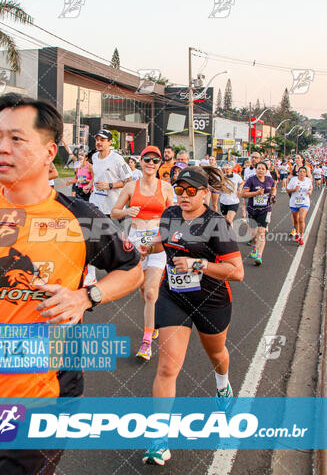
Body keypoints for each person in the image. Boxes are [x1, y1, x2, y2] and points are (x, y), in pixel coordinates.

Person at [0, 93, 143, 475]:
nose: (0, 149)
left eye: (16, 139)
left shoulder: (80, 217)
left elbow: (132, 270)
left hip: (50, 391)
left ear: (50, 151)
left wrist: (87, 297)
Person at [140, 166, 244, 465]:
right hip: (175, 298)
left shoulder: (217, 224)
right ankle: (159, 440)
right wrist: (147, 247)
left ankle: (222, 385)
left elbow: (236, 273)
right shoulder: (170, 214)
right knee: (167, 368)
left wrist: (199, 264)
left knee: (217, 354)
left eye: (190, 191)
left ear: (204, 193)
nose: (183, 196)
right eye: (179, 189)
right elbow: (165, 241)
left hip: (212, 301)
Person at [111, 146, 173, 361]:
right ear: (141, 160)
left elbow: (173, 216)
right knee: (142, 287)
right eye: (147, 159)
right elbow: (114, 212)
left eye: (155, 161)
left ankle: (146, 341)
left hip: (155, 240)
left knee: (150, 292)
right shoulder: (130, 186)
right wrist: (127, 211)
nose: (150, 163)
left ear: (159, 164)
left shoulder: (166, 188)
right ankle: (152, 321)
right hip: (135, 239)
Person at [90, 129, 132, 217]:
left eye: (102, 140)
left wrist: (110, 185)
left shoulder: (118, 159)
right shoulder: (94, 157)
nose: (98, 142)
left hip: (113, 208)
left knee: (115, 231)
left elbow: (129, 180)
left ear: (110, 142)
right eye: (97, 140)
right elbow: (97, 174)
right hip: (96, 204)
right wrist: (90, 185)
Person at [241, 161, 277, 266]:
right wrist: (256, 193)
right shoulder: (251, 180)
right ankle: (254, 247)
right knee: (253, 233)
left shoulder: (269, 180)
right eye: (258, 168)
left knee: (261, 232)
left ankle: (259, 256)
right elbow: (243, 194)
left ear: (266, 171)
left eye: (262, 169)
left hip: (265, 210)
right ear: (256, 169)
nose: (260, 170)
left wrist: (273, 196)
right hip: (252, 209)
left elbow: (274, 189)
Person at [286, 166, 313, 245]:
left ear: (306, 173)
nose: (302, 173)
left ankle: (301, 237)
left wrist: (310, 191)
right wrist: (294, 189)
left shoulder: (308, 180)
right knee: (296, 220)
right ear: (298, 173)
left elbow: (311, 188)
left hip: (304, 202)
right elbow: (288, 190)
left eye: (304, 172)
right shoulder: (293, 180)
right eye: (300, 171)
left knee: (301, 219)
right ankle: (297, 234)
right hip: (294, 202)